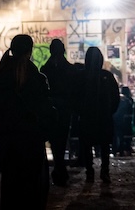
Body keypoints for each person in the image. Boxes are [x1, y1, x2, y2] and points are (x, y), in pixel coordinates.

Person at [0, 34, 53, 210]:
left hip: (9, 142)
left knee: (11, 191)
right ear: (30, 51)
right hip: (31, 143)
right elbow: (46, 110)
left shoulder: (1, 76)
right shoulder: (37, 79)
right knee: (33, 191)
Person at [75, 45, 121, 183]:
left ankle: (90, 173)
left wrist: (80, 112)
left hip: (87, 118)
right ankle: (104, 172)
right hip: (104, 118)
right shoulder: (107, 76)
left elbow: (74, 98)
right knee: (105, 146)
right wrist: (109, 111)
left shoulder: (81, 77)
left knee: (87, 147)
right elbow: (115, 98)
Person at [39, 37, 75, 186]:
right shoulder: (69, 69)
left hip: (52, 109)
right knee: (60, 140)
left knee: (55, 141)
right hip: (63, 109)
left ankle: (59, 169)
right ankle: (60, 170)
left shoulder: (45, 70)